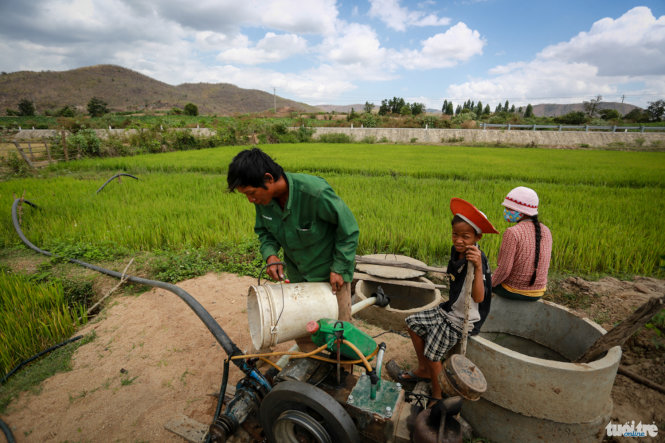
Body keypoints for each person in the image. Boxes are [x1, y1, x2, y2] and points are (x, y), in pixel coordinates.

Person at [226, 147, 359, 350]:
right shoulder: (264, 200)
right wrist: (270, 255)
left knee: (339, 336)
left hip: (331, 279)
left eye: (251, 193)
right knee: (305, 332)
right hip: (298, 277)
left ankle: (341, 374)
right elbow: (265, 232)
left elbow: (348, 230)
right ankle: (311, 370)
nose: (250, 200)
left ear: (268, 178)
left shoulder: (315, 193)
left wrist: (339, 268)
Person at [394, 198, 497, 402]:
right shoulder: (457, 251)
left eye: (465, 237)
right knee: (412, 323)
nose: (459, 240)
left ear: (478, 237)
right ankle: (424, 370)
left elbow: (479, 296)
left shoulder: (478, 260)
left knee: (434, 354)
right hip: (450, 309)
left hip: (460, 319)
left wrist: (477, 267)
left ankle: (438, 394)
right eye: (455, 235)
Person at [492, 186, 552, 301]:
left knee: (479, 283)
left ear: (521, 212)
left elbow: (504, 270)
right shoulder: (546, 230)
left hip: (513, 290)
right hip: (538, 292)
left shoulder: (512, 233)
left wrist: (489, 284)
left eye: (509, 208)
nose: (506, 211)